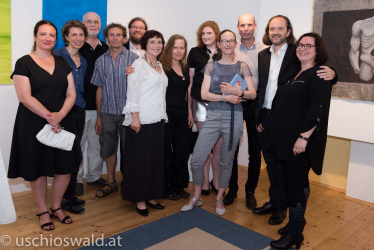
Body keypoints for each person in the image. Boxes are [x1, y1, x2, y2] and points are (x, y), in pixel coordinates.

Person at [254, 15, 337, 225]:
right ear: (267, 31)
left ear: (288, 32)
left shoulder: (295, 53)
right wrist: (258, 116)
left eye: (280, 28)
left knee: (289, 171)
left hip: (290, 123)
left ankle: (283, 210)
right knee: (272, 165)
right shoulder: (262, 55)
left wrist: (334, 74)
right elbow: (263, 87)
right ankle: (276, 201)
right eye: (272, 28)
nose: (275, 32)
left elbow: (318, 72)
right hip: (266, 117)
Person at [8, 20, 82, 230]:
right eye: (43, 34)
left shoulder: (62, 62)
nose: (48, 38)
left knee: (65, 168)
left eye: (51, 35)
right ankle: (42, 210)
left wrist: (60, 115)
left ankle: (56, 207)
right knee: (37, 168)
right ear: (35, 37)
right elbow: (25, 97)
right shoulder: (23, 63)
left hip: (62, 120)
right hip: (33, 122)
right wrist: (50, 117)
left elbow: (71, 94)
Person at [181, 30, 256, 216]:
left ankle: (219, 197)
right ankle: (197, 196)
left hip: (234, 118)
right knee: (197, 159)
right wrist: (226, 97)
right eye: (224, 41)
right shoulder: (210, 66)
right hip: (213, 116)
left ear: (235, 43)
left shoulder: (243, 67)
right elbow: (204, 94)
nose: (228, 44)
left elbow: (253, 94)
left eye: (231, 41)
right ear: (220, 44)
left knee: (226, 161)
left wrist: (236, 92)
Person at [268, 32, 332, 250]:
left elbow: (318, 109)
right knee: (294, 182)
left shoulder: (320, 75)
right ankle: (295, 223)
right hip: (286, 139)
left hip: (300, 141)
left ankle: (295, 234)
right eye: (300, 45)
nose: (302, 48)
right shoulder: (296, 72)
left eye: (308, 46)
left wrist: (304, 137)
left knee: (295, 185)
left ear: (317, 50)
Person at [223, 13, 267, 208]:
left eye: (249, 25)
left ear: (255, 26)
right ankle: (232, 189)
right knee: (232, 149)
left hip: (256, 106)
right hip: (235, 103)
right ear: (238, 27)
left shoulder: (265, 51)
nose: (246, 28)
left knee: (255, 152)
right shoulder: (231, 49)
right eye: (243, 25)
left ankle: (251, 191)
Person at [122, 30, 167, 217]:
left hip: (158, 119)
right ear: (145, 44)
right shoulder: (138, 65)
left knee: (154, 161)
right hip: (141, 120)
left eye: (159, 42)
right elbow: (132, 92)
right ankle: (140, 199)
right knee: (140, 162)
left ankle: (151, 195)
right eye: (152, 42)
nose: (156, 45)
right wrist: (135, 117)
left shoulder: (159, 64)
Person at [91, 23, 138, 198]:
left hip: (128, 114)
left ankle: (131, 182)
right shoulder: (100, 61)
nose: (115, 38)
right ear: (106, 38)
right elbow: (99, 89)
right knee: (108, 149)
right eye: (112, 35)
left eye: (119, 35)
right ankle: (111, 183)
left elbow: (142, 87)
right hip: (107, 113)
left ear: (124, 38)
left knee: (130, 150)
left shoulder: (134, 59)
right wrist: (98, 117)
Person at [54, 20, 87, 215]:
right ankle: (64, 199)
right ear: (66, 36)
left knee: (76, 155)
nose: (78, 38)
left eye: (81, 35)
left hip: (79, 110)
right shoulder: (57, 56)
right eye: (73, 35)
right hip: (62, 111)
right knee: (67, 155)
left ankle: (70, 195)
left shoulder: (84, 60)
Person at [187, 21, 222, 196]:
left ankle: (216, 180)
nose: (206, 36)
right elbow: (191, 82)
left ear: (216, 34)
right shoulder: (195, 52)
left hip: (220, 104)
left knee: (219, 147)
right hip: (201, 104)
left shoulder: (225, 52)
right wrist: (189, 108)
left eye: (209, 33)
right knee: (205, 145)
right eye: (203, 34)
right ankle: (205, 182)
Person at [76, 12, 109, 195]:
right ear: (83, 24)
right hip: (78, 106)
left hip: (100, 107)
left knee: (97, 144)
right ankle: (78, 179)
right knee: (78, 145)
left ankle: (95, 176)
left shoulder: (106, 48)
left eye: (96, 22)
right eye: (89, 21)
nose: (92, 24)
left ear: (101, 24)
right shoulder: (77, 46)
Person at [159, 34, 193, 200]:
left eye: (182, 47)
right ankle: (166, 188)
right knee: (167, 152)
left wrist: (190, 113)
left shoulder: (185, 68)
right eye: (176, 47)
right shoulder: (162, 68)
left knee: (182, 151)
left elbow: (187, 94)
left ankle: (179, 186)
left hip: (182, 115)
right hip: (166, 114)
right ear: (169, 48)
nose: (179, 51)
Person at [349, 16, 374, 81]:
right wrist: (356, 67)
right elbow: (354, 49)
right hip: (367, 58)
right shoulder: (360, 24)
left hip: (366, 57)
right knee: (364, 77)